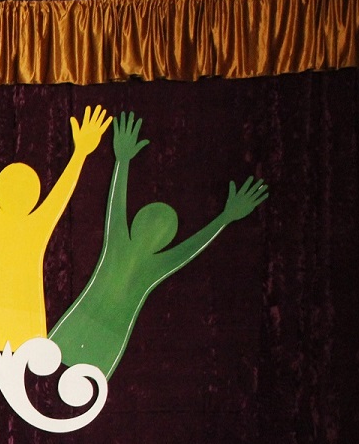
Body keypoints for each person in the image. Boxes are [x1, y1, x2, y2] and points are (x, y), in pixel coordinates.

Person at [48, 111, 269, 377]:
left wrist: (123, 160)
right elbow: (187, 246)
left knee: (61, 373)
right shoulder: (141, 256)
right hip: (95, 331)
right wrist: (224, 218)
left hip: (97, 332)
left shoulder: (131, 250)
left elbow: (122, 208)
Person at [0, 93, 113, 350]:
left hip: (1, 312)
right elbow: (60, 195)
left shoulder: (1, 219)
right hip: (15, 313)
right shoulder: (26, 223)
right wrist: (80, 154)